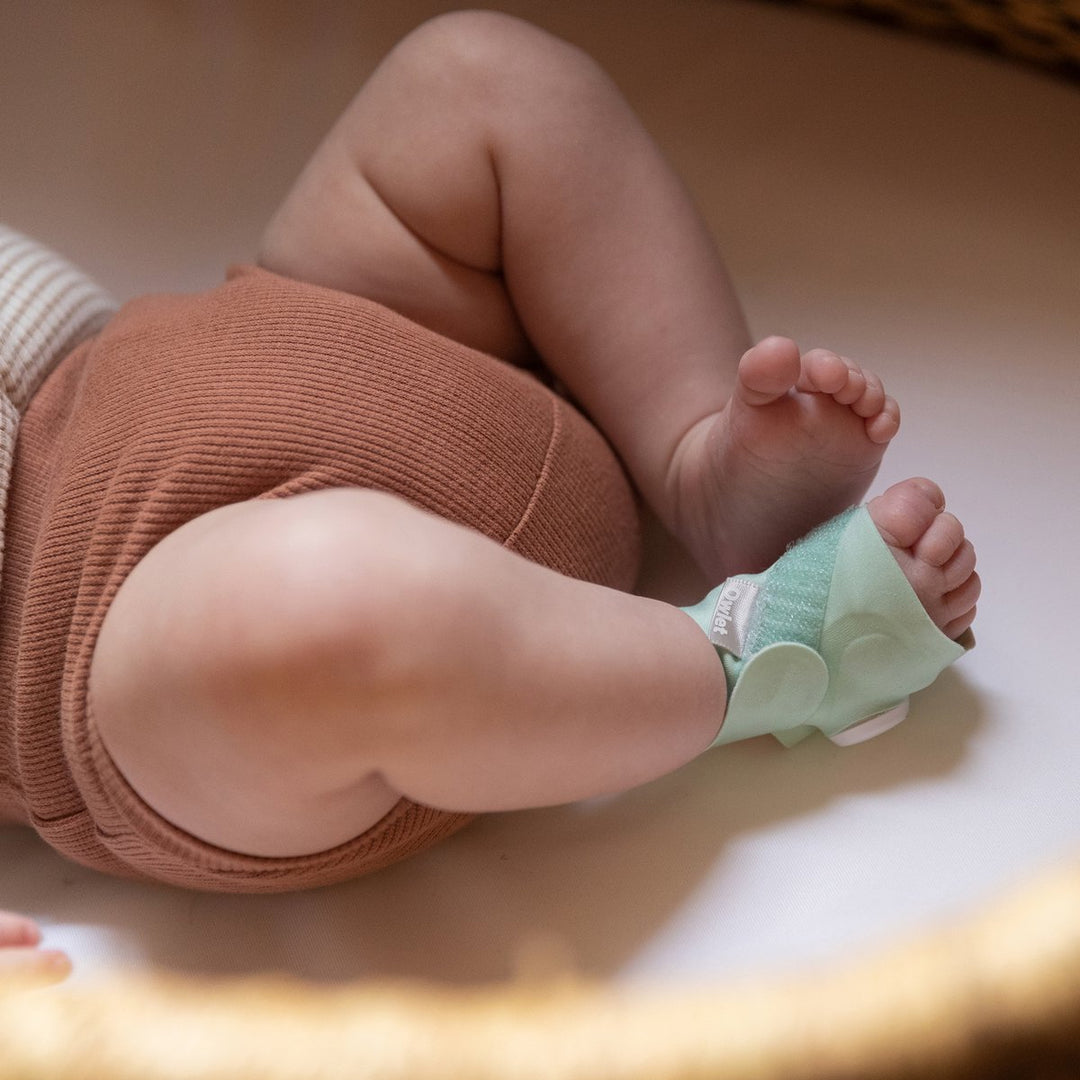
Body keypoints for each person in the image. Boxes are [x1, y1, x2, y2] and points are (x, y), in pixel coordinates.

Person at [0, 11, 977, 979]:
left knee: (476, 78)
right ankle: (756, 652)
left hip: (250, 351)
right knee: (307, 619)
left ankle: (694, 455)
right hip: (106, 645)